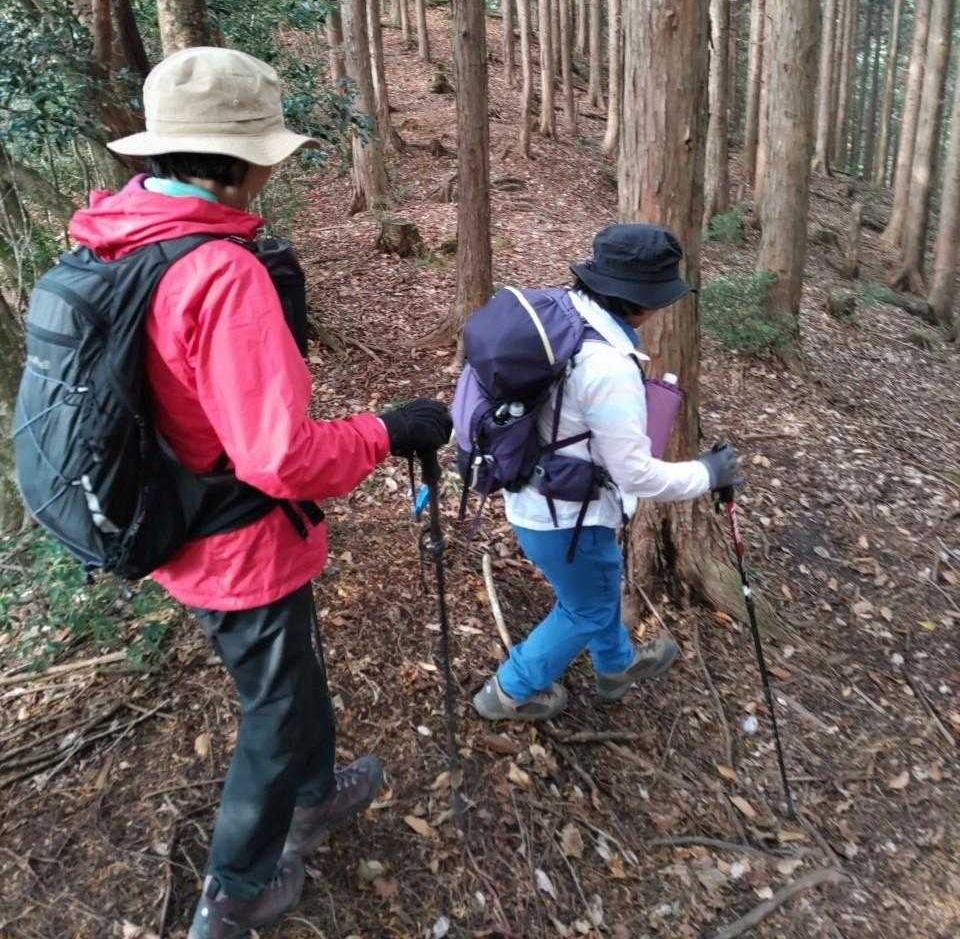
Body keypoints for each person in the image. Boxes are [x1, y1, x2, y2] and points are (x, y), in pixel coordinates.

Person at [69, 47, 451, 939]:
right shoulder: (219, 273)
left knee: (289, 672)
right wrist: (387, 431)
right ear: (244, 164)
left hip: (172, 512)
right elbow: (281, 457)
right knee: (273, 709)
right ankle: (236, 890)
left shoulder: (116, 234)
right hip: (235, 545)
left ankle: (315, 794)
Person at [472, 223, 742, 723]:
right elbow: (637, 476)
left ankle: (615, 667)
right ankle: (508, 693)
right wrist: (707, 473)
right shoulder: (609, 367)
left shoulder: (565, 317)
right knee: (587, 608)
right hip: (568, 521)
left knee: (596, 589)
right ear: (644, 302)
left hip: (534, 496)